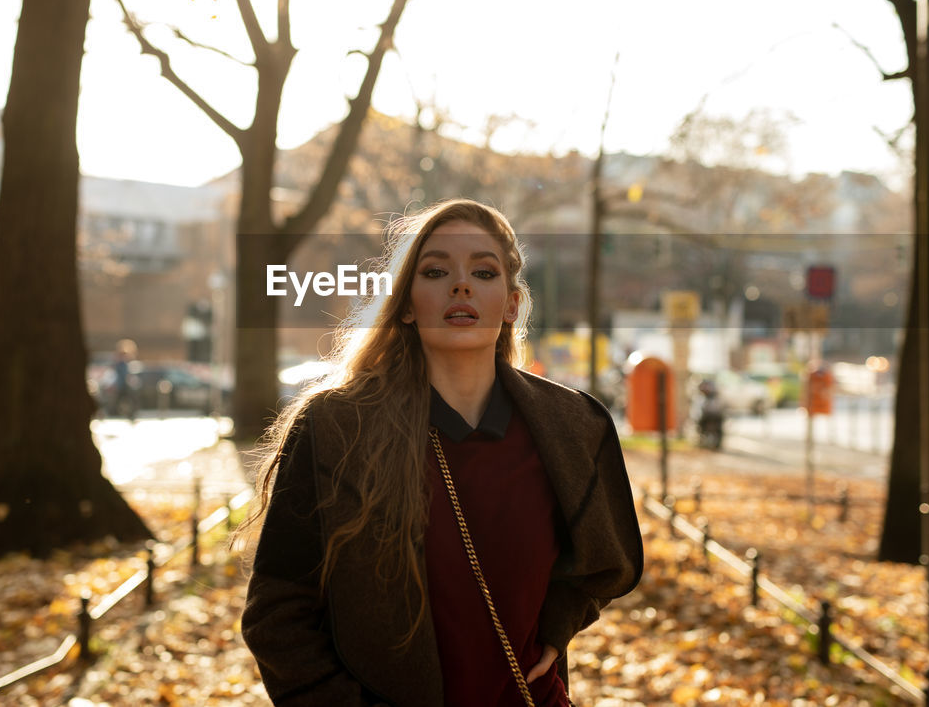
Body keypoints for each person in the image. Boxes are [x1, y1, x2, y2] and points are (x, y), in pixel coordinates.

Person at [241, 199, 643, 707]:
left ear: (512, 305)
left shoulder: (573, 427)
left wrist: (558, 621)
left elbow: (606, 564)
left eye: (483, 271)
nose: (461, 285)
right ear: (406, 304)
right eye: (435, 271)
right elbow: (277, 614)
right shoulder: (336, 427)